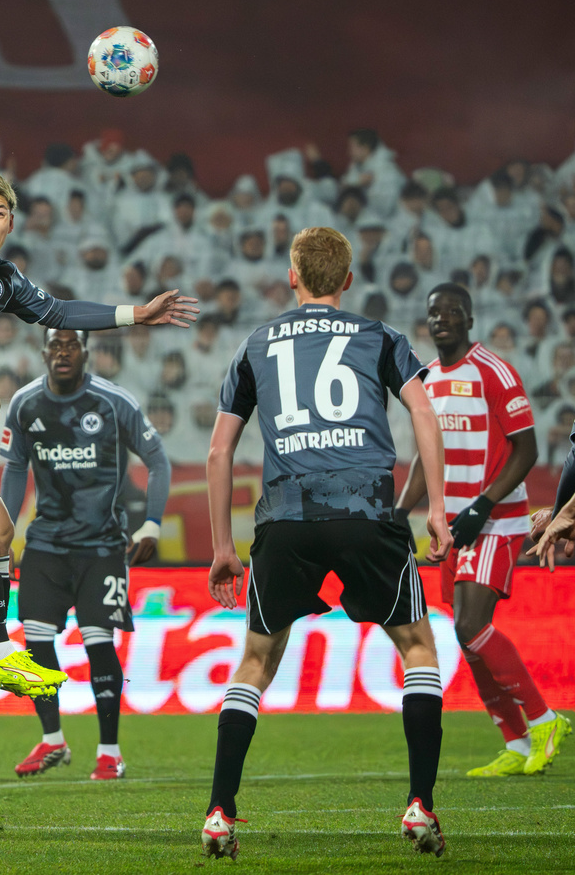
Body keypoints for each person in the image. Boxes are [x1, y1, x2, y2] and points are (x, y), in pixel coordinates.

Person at [0, 169, 198, 698]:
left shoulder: (2, 278)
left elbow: (56, 310)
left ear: (11, 223)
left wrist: (136, 315)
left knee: (2, 532)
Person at [200, 227, 452, 860]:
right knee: (418, 647)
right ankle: (420, 803)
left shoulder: (256, 344)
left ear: (293, 277)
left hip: (285, 518)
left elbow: (219, 449)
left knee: (256, 661)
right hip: (368, 510)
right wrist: (438, 510)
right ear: (347, 279)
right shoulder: (381, 337)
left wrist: (223, 547)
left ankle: (219, 812)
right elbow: (424, 413)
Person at [397, 283, 571, 777]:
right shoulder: (425, 379)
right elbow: (423, 459)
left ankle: (543, 719)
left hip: (495, 520)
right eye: (434, 312)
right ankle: (516, 743)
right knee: (464, 631)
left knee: (472, 625)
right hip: (450, 527)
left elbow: (527, 449)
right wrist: (400, 511)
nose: (442, 319)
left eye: (452, 311)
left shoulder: (492, 370)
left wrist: (483, 504)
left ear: (469, 319)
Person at [0, 328, 171, 780]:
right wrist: (6, 533)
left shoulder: (115, 402)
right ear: (43, 354)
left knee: (99, 644)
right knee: (35, 643)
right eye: (54, 346)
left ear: (85, 354)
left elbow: (158, 459)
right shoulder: (24, 404)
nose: (62, 353)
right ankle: (52, 740)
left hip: (102, 546)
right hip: (45, 545)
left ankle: (109, 751)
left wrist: (151, 522)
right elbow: (16, 468)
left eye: (70, 346)